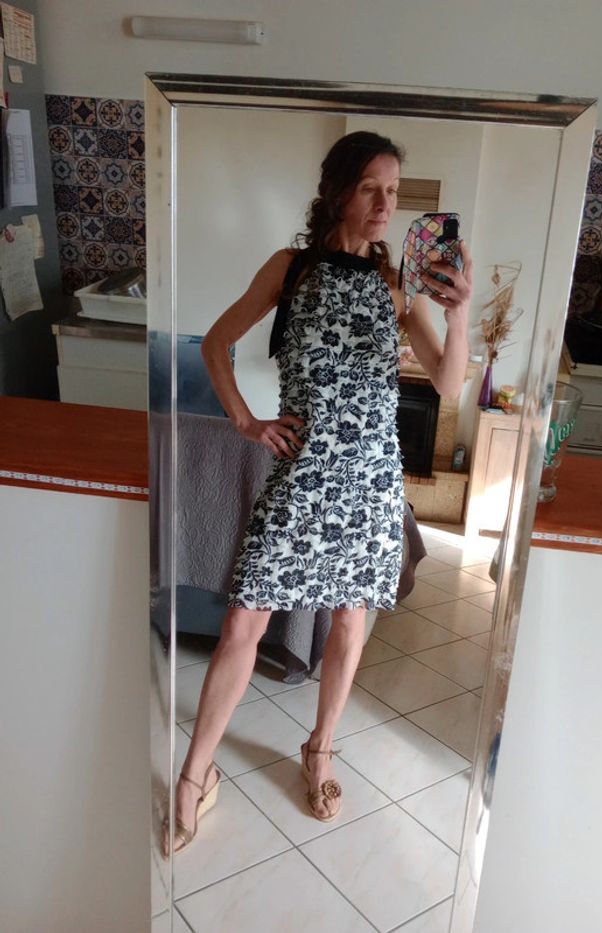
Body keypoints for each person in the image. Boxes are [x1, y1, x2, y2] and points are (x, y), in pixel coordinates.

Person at [163, 130, 472, 855]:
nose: (385, 204)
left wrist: (459, 314)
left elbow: (450, 381)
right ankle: (195, 773)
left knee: (349, 623)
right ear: (336, 191)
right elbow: (214, 343)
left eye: (393, 191)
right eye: (370, 188)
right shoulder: (291, 268)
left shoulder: (399, 284)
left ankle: (320, 750)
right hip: (302, 477)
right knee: (243, 622)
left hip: (369, 481)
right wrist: (247, 422)